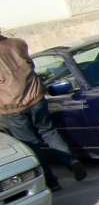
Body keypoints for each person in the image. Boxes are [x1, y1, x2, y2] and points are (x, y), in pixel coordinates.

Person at [0, 31, 87, 191]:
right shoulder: (17, 43)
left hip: (11, 106)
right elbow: (30, 65)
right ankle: (71, 161)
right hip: (36, 98)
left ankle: (51, 182)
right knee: (48, 132)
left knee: (30, 144)